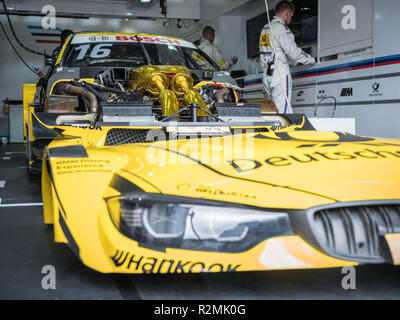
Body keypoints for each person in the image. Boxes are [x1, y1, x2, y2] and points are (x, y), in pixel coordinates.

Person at [260, 1, 315, 113]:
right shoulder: (280, 28)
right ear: (286, 13)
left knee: (272, 111)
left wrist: (292, 63)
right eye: (291, 16)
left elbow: (275, 52)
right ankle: (284, 130)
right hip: (279, 73)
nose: (291, 19)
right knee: (283, 111)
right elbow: (293, 52)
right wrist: (311, 59)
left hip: (267, 75)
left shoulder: (265, 28)